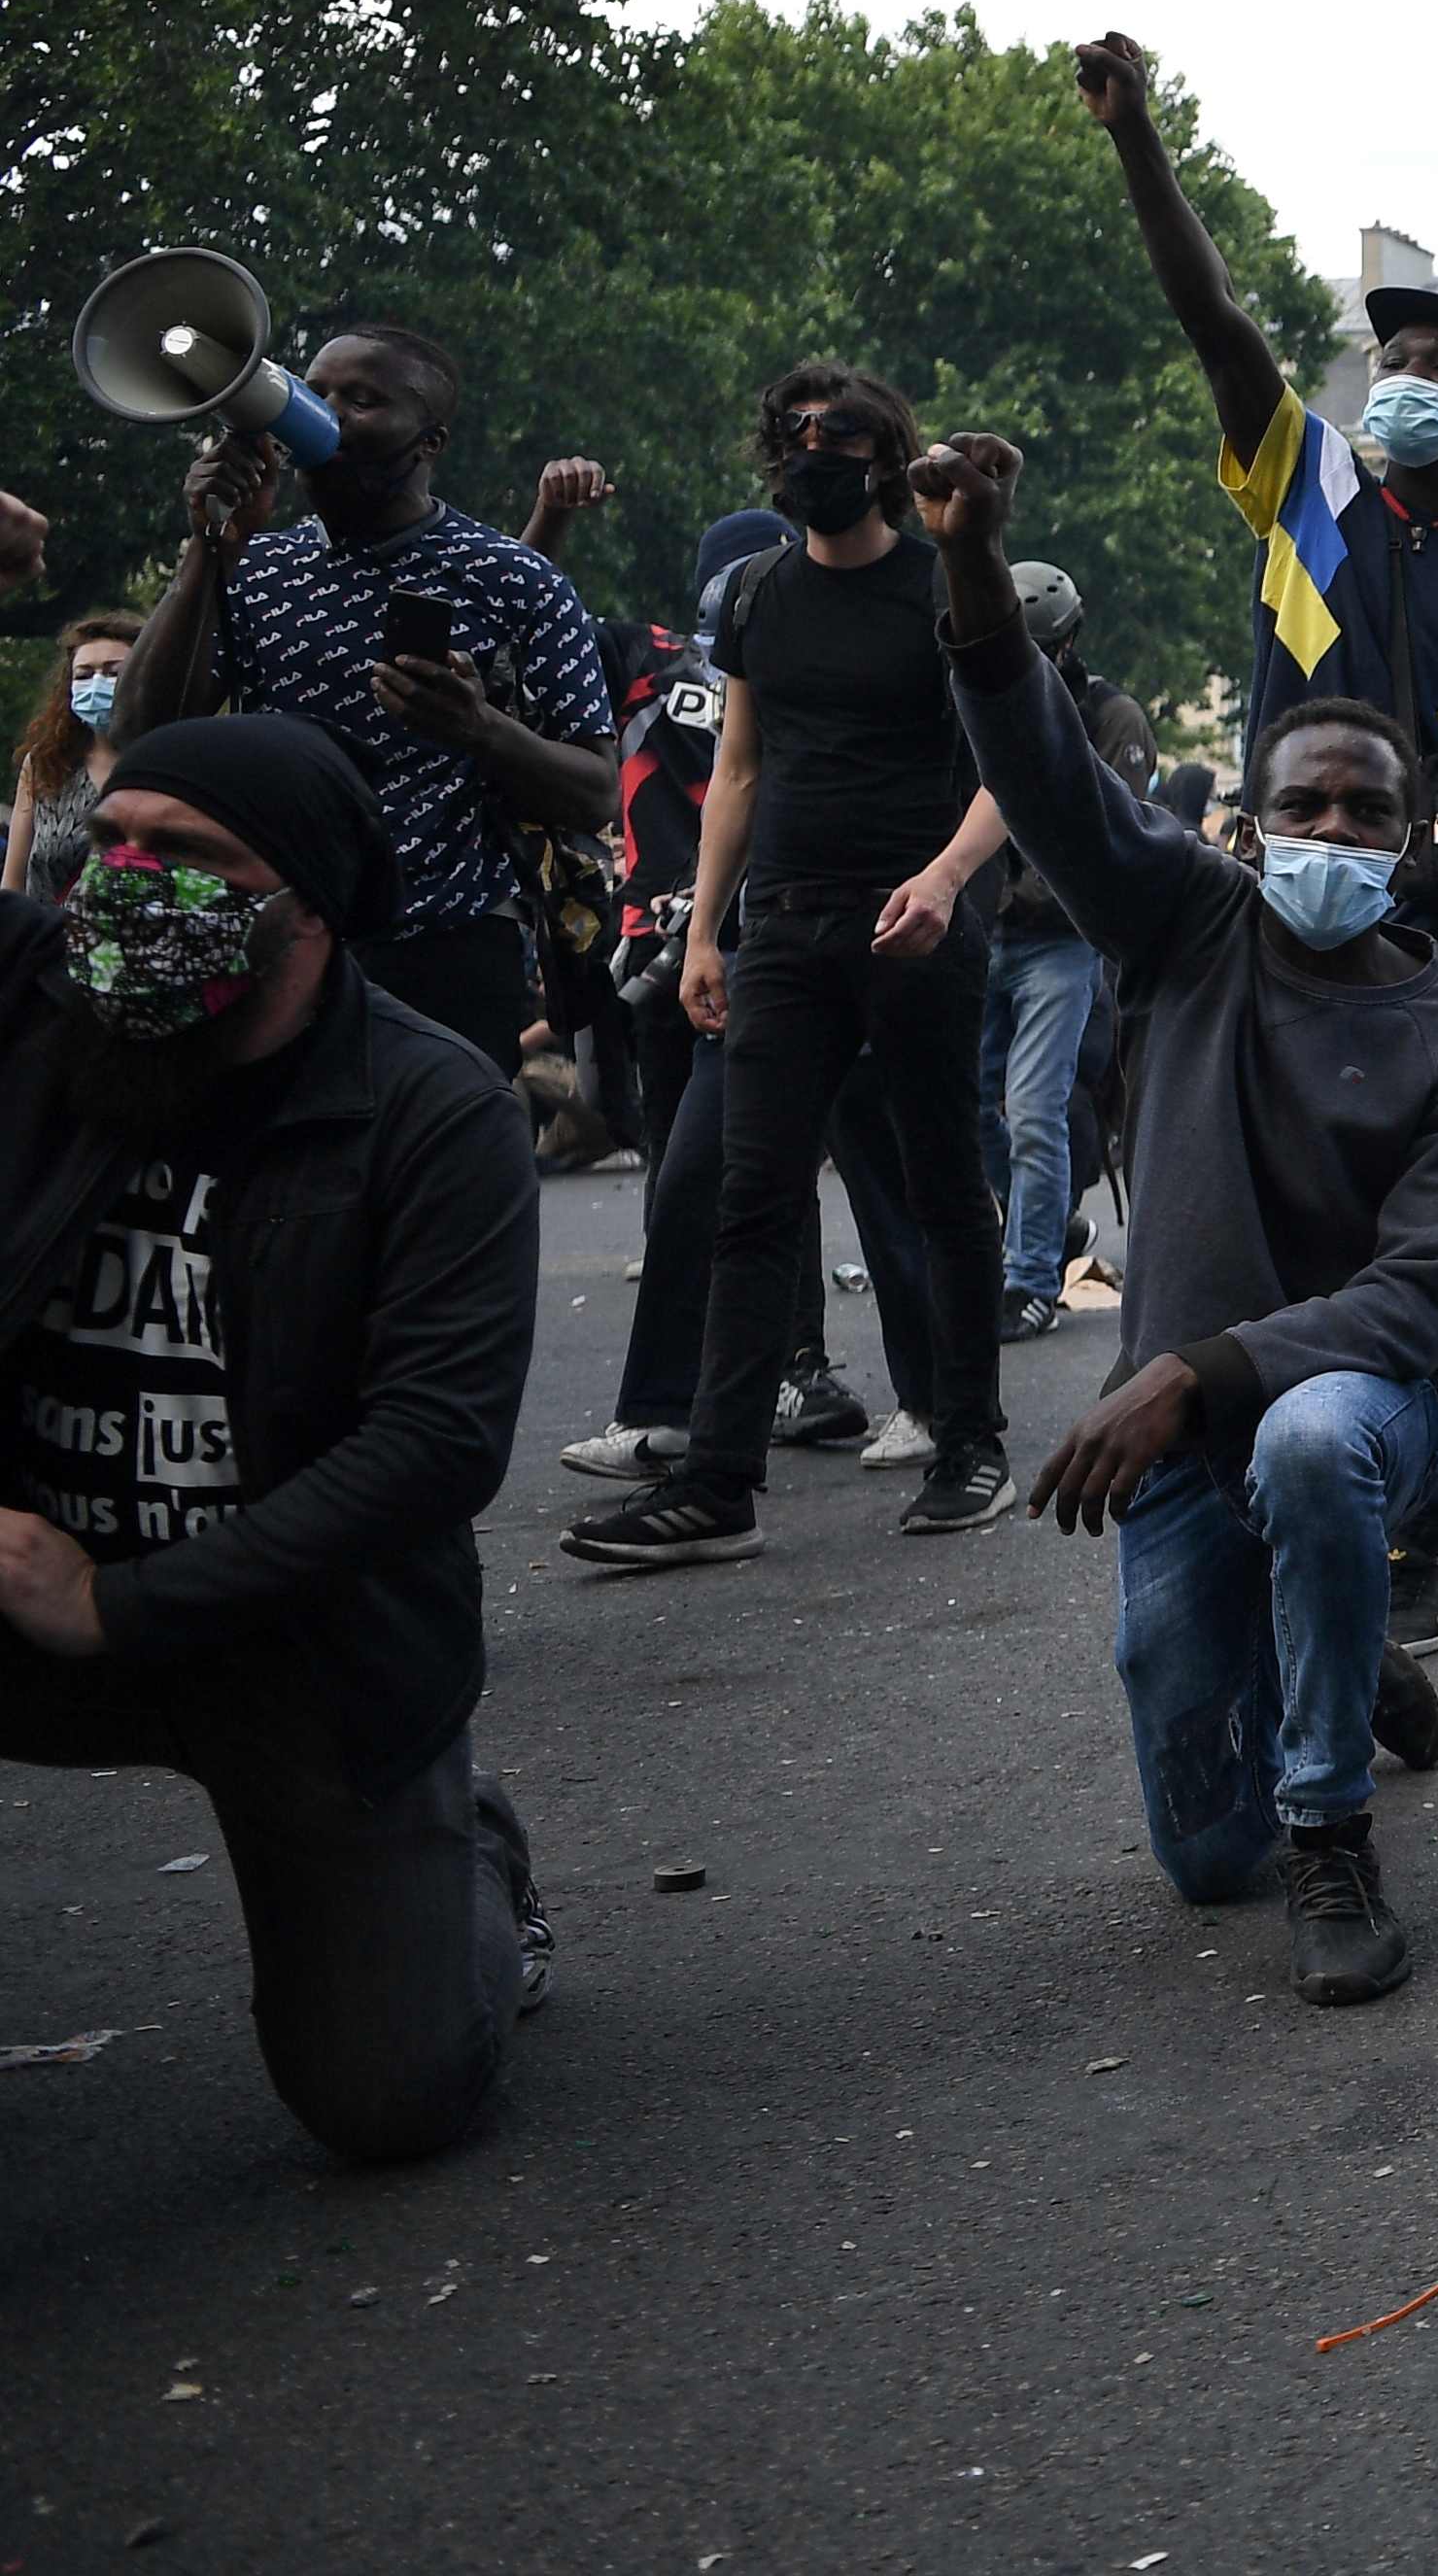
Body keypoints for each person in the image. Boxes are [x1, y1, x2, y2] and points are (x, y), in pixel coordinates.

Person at [916, 438, 1438, 2007]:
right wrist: (971, 556)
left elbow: (1415, 1304)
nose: (1328, 827)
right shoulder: (1186, 920)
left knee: (1311, 1448)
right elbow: (1036, 758)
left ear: (1408, 834)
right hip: (1179, 1439)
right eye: (1298, 800)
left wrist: (1180, 1372)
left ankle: (1333, 1821)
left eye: (1361, 810)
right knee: (1198, 1855)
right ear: (1247, 817)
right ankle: (1343, 1643)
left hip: (1354, 1416)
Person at [1084, 29, 1438, 1651]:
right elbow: (1213, 317)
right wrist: (1139, 148)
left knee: (1428, 1256)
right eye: (1397, 355)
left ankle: (1405, 1527)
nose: (1410, 381)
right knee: (1232, 1207)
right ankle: (1243, 1464)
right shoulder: (1305, 486)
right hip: (1265, 909)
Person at [0, 714, 552, 2154]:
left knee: (390, 2098)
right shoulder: (36, 1012)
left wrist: (119, 1607)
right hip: (21, 1599)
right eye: (111, 842)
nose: (122, 879)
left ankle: (468, 1854)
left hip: (297, 1642)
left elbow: (433, 1445)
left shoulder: (434, 1111)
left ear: (303, 902)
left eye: (181, 857)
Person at [563, 364, 1021, 1565]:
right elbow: (743, 774)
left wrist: (945, 880)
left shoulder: (945, 584)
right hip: (786, 930)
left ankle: (971, 1441)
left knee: (940, 1188)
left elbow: (1013, 763)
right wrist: (706, 929)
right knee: (748, 1194)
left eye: (844, 435)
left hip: (918, 925)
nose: (816, 451)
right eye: (798, 435)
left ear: (888, 456)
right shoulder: (759, 594)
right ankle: (718, 1481)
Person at [115, 326, 616, 1069]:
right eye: (315, 392)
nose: (327, 411)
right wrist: (208, 548)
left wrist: (480, 729)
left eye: (364, 398)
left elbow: (596, 791)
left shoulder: (515, 578)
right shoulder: (255, 565)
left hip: (447, 951)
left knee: (436, 1178)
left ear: (430, 441)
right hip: (274, 939)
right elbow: (138, 734)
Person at [982, 555, 1153, 1342]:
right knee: (973, 1108)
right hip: (980, 929)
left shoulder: (1112, 719)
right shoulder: (977, 700)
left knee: (1035, 1109)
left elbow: (1106, 842)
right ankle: (1043, 1230)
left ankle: (1028, 1280)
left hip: (1063, 940)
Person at [11, 607, 140, 897]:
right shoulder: (46, 763)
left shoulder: (167, 761)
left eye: (113, 672)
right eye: (83, 675)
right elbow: (12, 884)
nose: (96, 685)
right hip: (46, 938)